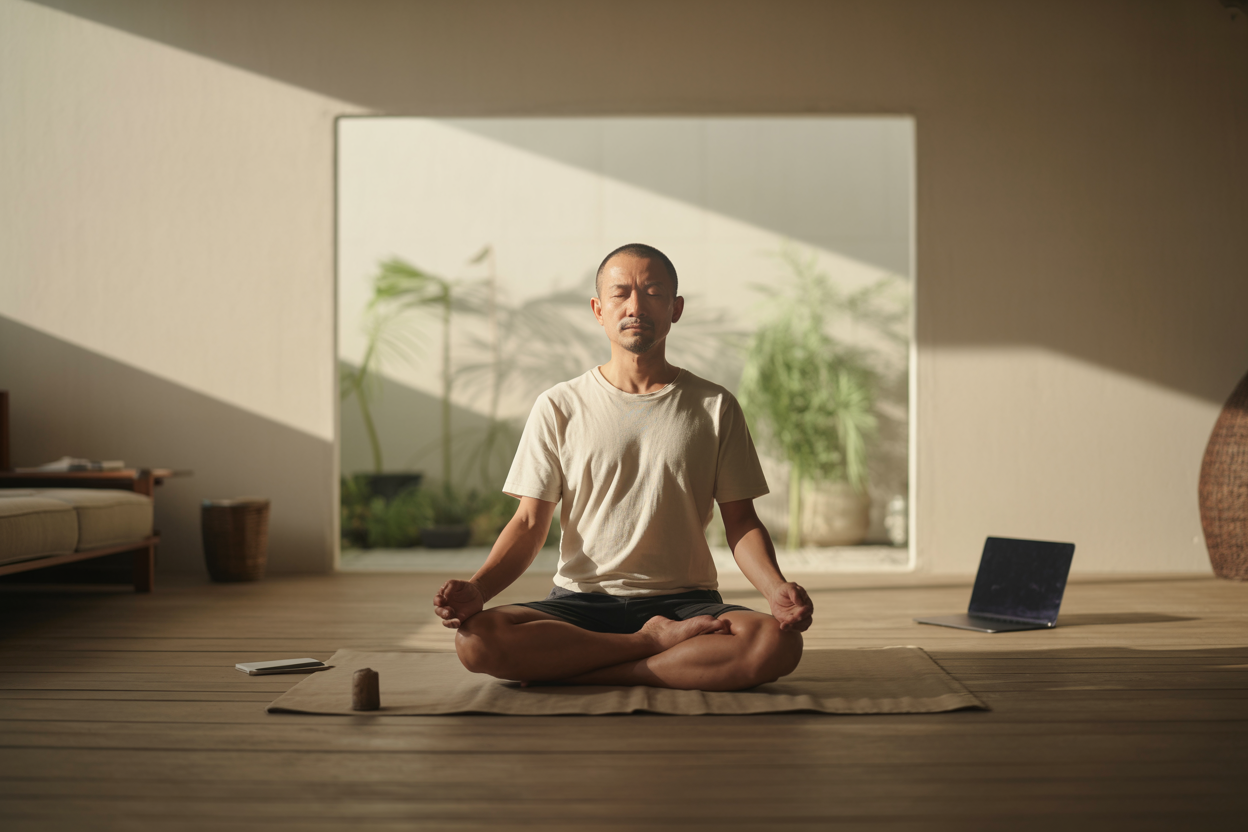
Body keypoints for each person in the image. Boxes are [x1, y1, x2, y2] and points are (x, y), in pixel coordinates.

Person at [433, 243, 812, 690]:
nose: (635, 305)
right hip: (581, 602)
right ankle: (655, 648)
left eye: (652, 292)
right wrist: (478, 590)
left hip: (686, 604)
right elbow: (530, 523)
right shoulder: (560, 405)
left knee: (775, 643)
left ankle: (591, 666)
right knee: (476, 641)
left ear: (676, 309)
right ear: (598, 309)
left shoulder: (714, 406)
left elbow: (741, 522)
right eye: (620, 293)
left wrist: (775, 591)